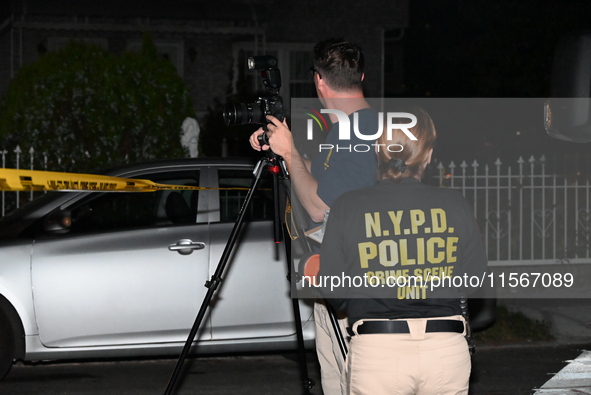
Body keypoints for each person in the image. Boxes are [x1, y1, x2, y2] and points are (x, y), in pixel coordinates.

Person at [317, 107, 488, 394]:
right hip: (445, 351)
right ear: (429, 154)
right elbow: (475, 281)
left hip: (378, 353)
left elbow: (335, 292)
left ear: (376, 149)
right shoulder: (454, 202)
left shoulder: (348, 205)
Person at [249, 38, 378, 395]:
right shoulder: (351, 127)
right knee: (335, 378)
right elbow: (325, 188)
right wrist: (285, 146)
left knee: (355, 381)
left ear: (318, 81)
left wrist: (290, 154)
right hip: (336, 275)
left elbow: (321, 206)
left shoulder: (357, 132)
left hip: (355, 285)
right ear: (361, 76)